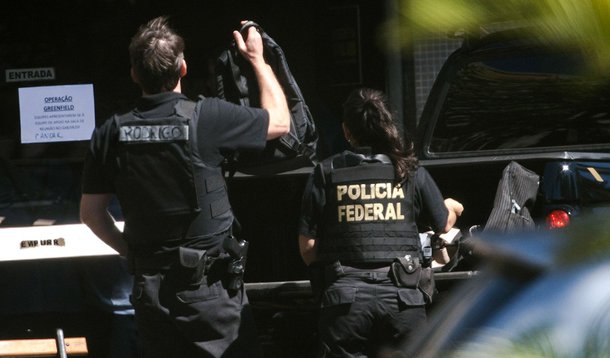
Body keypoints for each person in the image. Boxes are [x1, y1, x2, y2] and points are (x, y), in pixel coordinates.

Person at [80, 16, 290, 358]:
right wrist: (257, 60)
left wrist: (133, 254)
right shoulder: (206, 118)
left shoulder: (110, 133)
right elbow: (280, 122)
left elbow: (91, 214)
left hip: (151, 292)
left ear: (134, 74)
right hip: (209, 292)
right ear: (183, 68)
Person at [298, 87, 463, 357]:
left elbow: (308, 250)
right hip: (403, 299)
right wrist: (453, 206)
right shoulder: (408, 169)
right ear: (387, 124)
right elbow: (444, 224)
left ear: (346, 130)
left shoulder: (326, 173)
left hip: (345, 304)